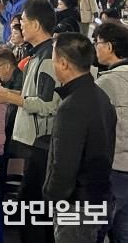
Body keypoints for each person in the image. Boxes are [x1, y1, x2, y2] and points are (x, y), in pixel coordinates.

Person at [0, 0, 60, 242]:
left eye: (24, 22)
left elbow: (49, 104)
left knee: (33, 211)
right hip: (31, 141)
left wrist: (11, 97)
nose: (20, 26)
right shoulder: (37, 56)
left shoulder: (49, 59)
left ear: (37, 25)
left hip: (40, 143)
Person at [44, 33, 116, 243]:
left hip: (78, 206)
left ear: (64, 63)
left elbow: (64, 165)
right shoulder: (100, 97)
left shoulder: (72, 106)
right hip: (100, 198)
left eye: (54, 59)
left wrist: (52, 197)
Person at [93, 22, 128, 242]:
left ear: (109, 47)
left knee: (96, 231)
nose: (95, 48)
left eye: (97, 43)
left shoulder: (106, 82)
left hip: (113, 169)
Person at [0, 47, 24, 197]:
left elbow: (23, 97)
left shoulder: (20, 79)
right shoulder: (5, 81)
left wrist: (4, 93)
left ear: (7, 66)